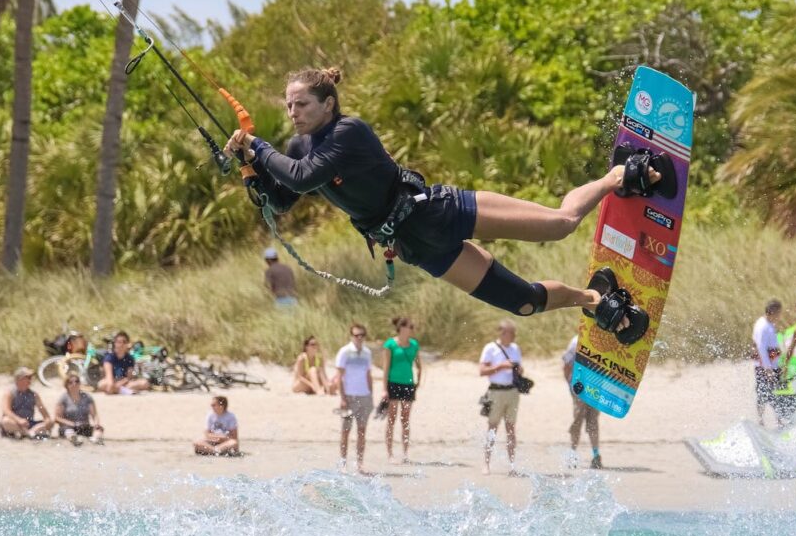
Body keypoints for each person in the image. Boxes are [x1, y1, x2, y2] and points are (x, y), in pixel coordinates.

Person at [223, 67, 661, 343]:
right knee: (522, 303)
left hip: (436, 211)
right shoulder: (300, 146)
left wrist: (257, 147)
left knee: (561, 224)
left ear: (328, 104)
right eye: (288, 105)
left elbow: (302, 176)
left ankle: (618, 176)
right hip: (418, 247)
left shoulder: (346, 133)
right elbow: (280, 198)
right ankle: (593, 298)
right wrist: (247, 167)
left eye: (302, 103)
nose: (293, 111)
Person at [478, 320, 524, 475]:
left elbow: (520, 369)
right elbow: (482, 371)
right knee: (492, 428)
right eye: (510, 332)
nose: (513, 335)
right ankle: (486, 464)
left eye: (513, 332)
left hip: (512, 392)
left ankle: (512, 466)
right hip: (495, 391)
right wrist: (500, 366)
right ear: (502, 333)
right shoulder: (490, 348)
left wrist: (518, 369)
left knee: (511, 429)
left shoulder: (515, 348)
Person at [382, 316, 422, 463]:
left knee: (405, 420)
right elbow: (385, 369)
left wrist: (418, 381)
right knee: (391, 419)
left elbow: (419, 364)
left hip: (408, 385)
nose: (412, 330)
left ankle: (405, 454)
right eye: (410, 327)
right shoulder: (390, 344)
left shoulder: (414, 345)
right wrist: (384, 389)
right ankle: (390, 454)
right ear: (402, 328)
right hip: (393, 384)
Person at [335, 322, 374, 473]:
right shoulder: (344, 352)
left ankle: (360, 463)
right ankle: (343, 463)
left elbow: (369, 375)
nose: (359, 338)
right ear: (351, 336)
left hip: (364, 396)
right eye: (357, 335)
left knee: (362, 431)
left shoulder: (367, 353)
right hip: (349, 396)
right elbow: (339, 377)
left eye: (362, 335)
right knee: (346, 430)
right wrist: (343, 398)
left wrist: (371, 394)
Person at [562, 335, 602, 469]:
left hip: (594, 387)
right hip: (580, 387)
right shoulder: (576, 341)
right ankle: (573, 454)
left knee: (592, 421)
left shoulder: (601, 340)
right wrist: (571, 385)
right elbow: (567, 365)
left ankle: (596, 455)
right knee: (578, 421)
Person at [752, 300, 785, 426]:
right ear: (773, 312)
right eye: (779, 313)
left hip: (772, 365)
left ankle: (778, 420)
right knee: (764, 393)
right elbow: (761, 347)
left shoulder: (768, 323)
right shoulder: (763, 326)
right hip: (766, 367)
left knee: (775, 392)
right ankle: (761, 420)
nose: (780, 316)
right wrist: (768, 369)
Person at [0, 367, 53, 439]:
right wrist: (19, 420)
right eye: (28, 377)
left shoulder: (34, 395)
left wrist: (47, 423)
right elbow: (6, 410)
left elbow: (45, 415)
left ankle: (31, 432)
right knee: (5, 421)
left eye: (30, 377)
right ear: (19, 379)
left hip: (29, 423)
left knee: (51, 422)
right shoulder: (9, 393)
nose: (30, 380)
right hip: (15, 423)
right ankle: (27, 433)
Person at [54, 374, 104, 445]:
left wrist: (96, 424)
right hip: (68, 427)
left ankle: (95, 440)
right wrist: (72, 424)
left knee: (99, 429)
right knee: (69, 432)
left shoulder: (87, 397)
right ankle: (74, 440)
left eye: (76, 381)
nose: (74, 384)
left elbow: (94, 415)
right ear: (66, 385)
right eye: (71, 382)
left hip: (84, 426)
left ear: (80, 383)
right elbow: (57, 418)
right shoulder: (63, 398)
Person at [99, 330, 150, 395]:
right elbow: (109, 377)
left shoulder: (130, 358)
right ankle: (124, 390)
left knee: (144, 383)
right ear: (115, 343)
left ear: (127, 344)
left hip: (124, 382)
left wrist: (119, 384)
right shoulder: (109, 357)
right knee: (102, 384)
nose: (121, 344)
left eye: (124, 342)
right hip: (112, 380)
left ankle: (119, 390)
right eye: (119, 342)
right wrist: (112, 384)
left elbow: (129, 377)